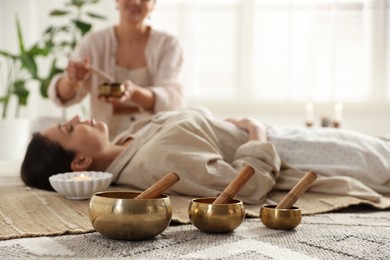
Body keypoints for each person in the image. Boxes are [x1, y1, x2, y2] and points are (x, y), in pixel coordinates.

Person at [21, 108, 390, 204]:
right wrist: (256, 132)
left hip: (288, 133)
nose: (74, 118)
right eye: (69, 129)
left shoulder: (131, 139)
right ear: (81, 163)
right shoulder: (154, 162)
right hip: (294, 152)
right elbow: (244, 187)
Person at [48, 0, 185, 140]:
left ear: (153, 5)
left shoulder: (168, 44)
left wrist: (133, 92)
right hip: (103, 138)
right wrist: (71, 80)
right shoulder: (93, 43)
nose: (136, 2)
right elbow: (61, 96)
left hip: (152, 137)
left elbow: (170, 98)